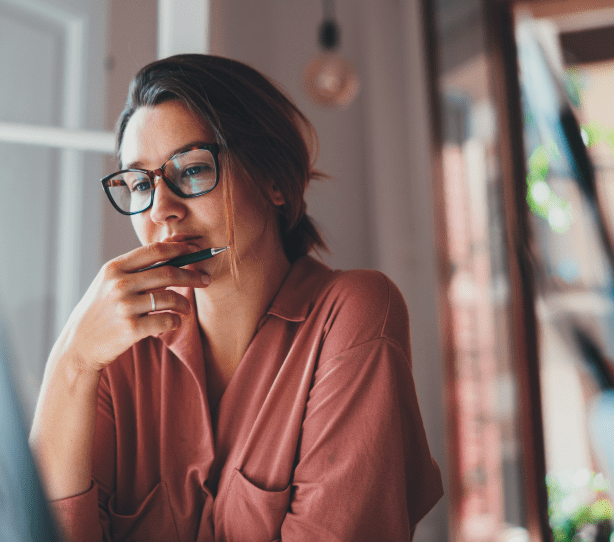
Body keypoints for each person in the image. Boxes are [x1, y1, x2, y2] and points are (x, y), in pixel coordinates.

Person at [29, 54, 442, 542]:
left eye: (193, 170)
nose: (161, 208)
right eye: (140, 182)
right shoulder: (116, 352)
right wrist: (73, 360)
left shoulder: (352, 314)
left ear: (273, 180)